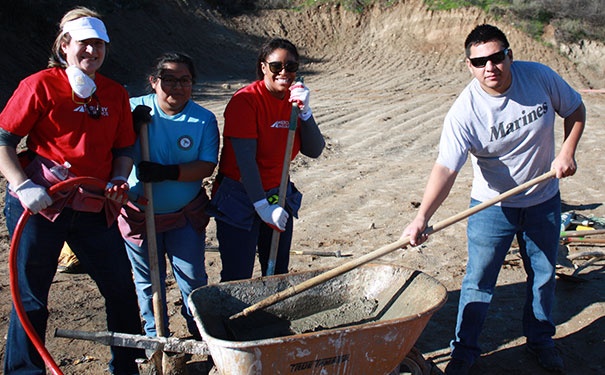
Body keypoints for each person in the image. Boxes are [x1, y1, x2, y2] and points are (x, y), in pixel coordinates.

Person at [401, 24, 585, 375]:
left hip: (543, 199)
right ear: (469, 66)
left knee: (544, 274)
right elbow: (446, 168)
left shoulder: (539, 78)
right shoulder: (464, 112)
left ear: (509, 56)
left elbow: (576, 111)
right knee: (479, 281)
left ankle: (541, 341)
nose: (490, 67)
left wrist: (566, 151)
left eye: (497, 57)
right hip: (492, 207)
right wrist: (422, 216)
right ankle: (465, 352)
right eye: (480, 61)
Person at [0, 7, 144, 374]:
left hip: (94, 204)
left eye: (99, 45)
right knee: (31, 297)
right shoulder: (39, 86)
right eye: (84, 44)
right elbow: (4, 140)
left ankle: (126, 366)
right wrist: (22, 184)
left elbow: (124, 149)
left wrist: (119, 178)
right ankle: (24, 371)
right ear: (65, 45)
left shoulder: (114, 94)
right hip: (41, 205)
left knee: (120, 290)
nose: (92, 52)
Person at [118, 52, 219, 339]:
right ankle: (156, 338)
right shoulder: (134, 109)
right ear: (154, 82)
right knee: (149, 283)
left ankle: (201, 334)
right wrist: (129, 127)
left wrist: (166, 172)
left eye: (184, 80)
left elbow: (206, 165)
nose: (176, 87)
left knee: (193, 279)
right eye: (169, 79)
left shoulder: (203, 120)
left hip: (184, 215)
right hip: (139, 214)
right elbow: (110, 146)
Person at [208, 38, 325, 281]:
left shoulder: (294, 101)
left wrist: (305, 112)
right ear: (263, 67)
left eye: (291, 67)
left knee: (276, 272)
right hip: (239, 194)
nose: (284, 73)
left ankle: (269, 317)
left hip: (278, 191)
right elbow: (245, 161)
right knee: (238, 275)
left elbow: (314, 150)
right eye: (276, 66)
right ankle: (236, 319)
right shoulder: (246, 101)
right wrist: (262, 207)